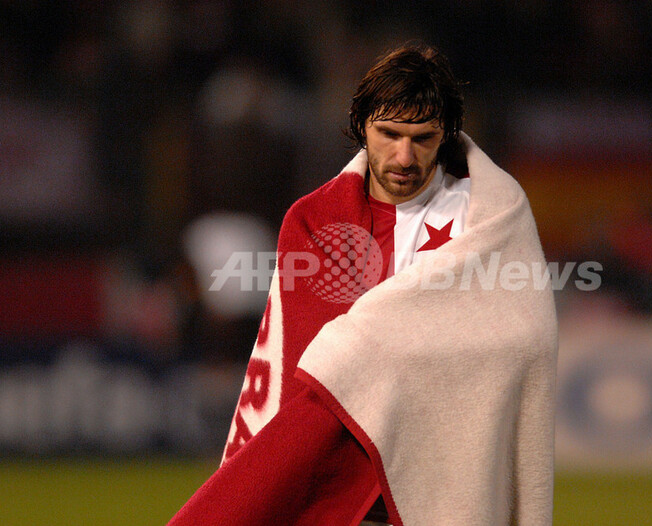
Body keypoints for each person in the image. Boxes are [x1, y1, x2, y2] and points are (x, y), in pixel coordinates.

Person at [169, 42, 558, 526]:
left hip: (448, 479)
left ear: (448, 133)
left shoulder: (490, 217)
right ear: (361, 125)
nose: (404, 156)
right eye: (389, 133)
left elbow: (526, 340)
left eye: (423, 137)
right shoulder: (315, 221)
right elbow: (301, 377)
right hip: (349, 494)